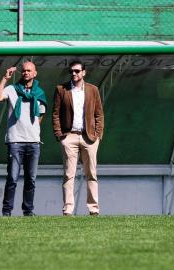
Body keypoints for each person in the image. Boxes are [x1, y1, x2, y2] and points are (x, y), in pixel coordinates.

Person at [0, 61, 47, 216]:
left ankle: (28, 211)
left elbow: (40, 115)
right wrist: (5, 78)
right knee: (12, 178)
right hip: (15, 141)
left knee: (31, 179)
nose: (26, 73)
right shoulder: (11, 89)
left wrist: (32, 130)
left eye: (29, 70)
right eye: (23, 71)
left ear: (35, 73)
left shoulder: (39, 93)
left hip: (33, 142)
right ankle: (7, 211)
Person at [52, 60, 104, 216]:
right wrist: (59, 135)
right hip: (69, 137)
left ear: (83, 72)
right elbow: (55, 113)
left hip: (89, 138)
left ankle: (93, 209)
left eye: (76, 71)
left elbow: (99, 114)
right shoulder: (61, 89)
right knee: (69, 174)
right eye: (71, 71)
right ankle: (68, 209)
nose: (73, 74)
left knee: (91, 174)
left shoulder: (93, 90)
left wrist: (98, 135)